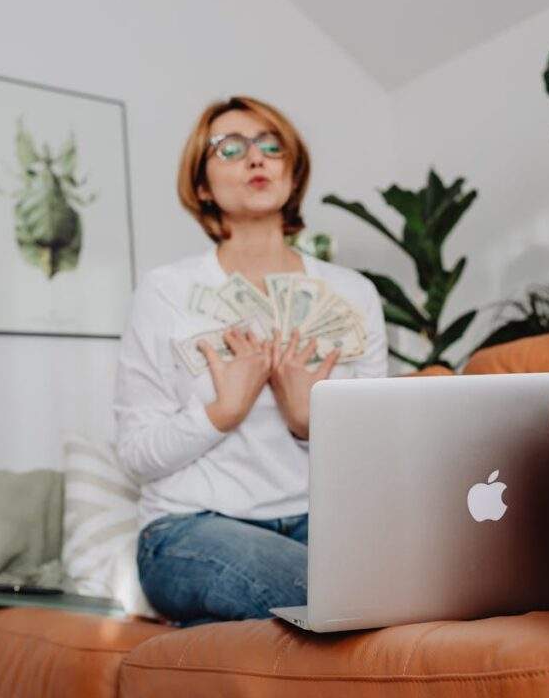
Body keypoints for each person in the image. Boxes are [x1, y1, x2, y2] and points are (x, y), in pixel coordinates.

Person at [113, 95, 388, 626]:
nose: (256, 158)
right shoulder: (167, 292)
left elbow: (375, 456)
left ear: (292, 169)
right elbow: (135, 455)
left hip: (320, 520)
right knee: (337, 599)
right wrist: (223, 411)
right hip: (189, 528)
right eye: (231, 148)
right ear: (201, 185)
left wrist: (309, 422)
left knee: (419, 579)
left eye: (270, 145)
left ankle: (214, 637)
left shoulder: (352, 294)